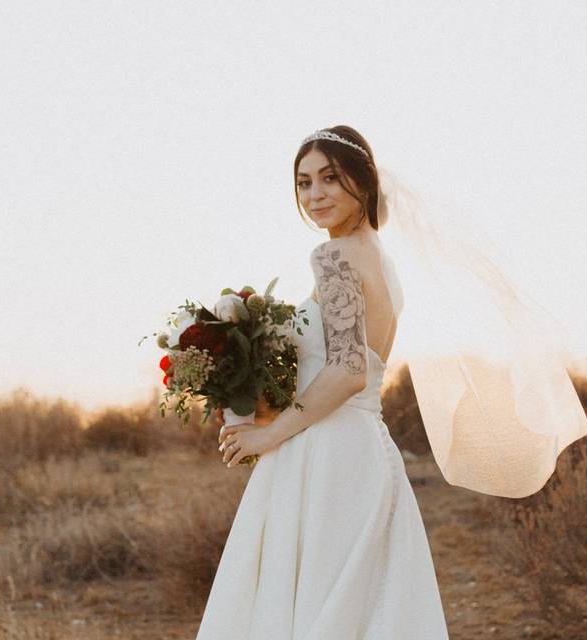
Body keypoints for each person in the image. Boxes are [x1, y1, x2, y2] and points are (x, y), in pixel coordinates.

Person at [195, 125, 450, 639]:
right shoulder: (376, 254)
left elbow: (348, 371)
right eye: (304, 182)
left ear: (363, 181)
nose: (315, 195)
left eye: (330, 178)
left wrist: (269, 434)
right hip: (367, 449)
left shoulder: (332, 257)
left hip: (328, 455)